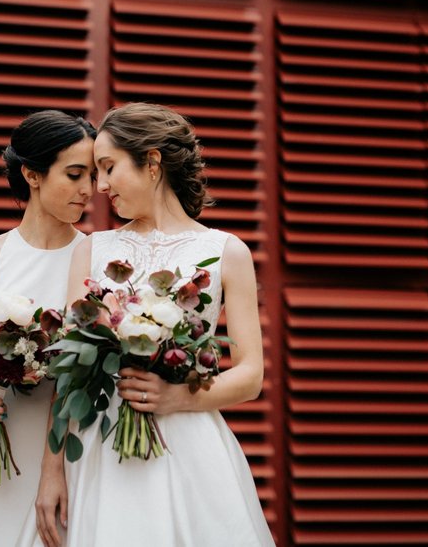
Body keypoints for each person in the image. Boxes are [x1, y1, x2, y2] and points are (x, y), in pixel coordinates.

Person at [35, 102, 274, 547]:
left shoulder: (228, 252)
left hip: (190, 443)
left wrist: (177, 396)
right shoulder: (92, 250)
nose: (100, 186)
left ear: (151, 162)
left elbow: (250, 374)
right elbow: (67, 372)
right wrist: (52, 475)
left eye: (108, 168)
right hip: (102, 447)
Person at [0, 110, 96, 547]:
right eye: (74, 174)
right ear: (32, 174)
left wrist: (55, 472)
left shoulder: (96, 257)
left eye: (93, 174)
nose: (88, 189)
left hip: (69, 454)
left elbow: (84, 377)